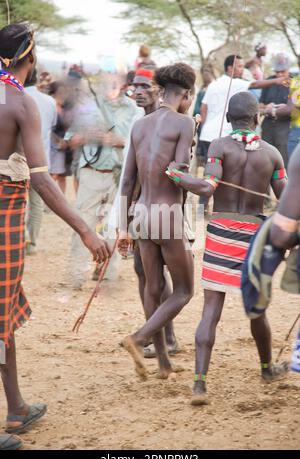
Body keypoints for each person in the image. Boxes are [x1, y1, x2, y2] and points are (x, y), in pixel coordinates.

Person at [0, 23, 110, 451]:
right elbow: (42, 181)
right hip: (3, 218)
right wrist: (86, 230)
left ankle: (15, 407)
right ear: (30, 57)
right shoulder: (19, 103)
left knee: (3, 316)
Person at [167, 92, 289, 405]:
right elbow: (287, 199)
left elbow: (208, 187)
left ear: (226, 119)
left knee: (211, 310)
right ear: (257, 118)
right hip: (254, 235)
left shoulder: (220, 146)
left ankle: (199, 386)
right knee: (256, 309)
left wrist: (177, 175)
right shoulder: (272, 154)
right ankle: (266, 368)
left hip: (221, 231)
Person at [119, 63, 196, 380]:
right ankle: (138, 339)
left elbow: (127, 181)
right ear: (187, 94)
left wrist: (124, 227)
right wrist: (204, 183)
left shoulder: (140, 125)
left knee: (153, 287)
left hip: (140, 215)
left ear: (161, 90)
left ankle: (163, 364)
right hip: (167, 215)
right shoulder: (185, 122)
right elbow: (178, 174)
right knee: (183, 290)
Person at [68, 70, 137, 288]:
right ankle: (76, 276)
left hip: (119, 176)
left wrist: (119, 141)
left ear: (125, 86)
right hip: (91, 173)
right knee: (83, 224)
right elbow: (70, 140)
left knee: (113, 225)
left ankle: (108, 274)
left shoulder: (134, 110)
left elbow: (139, 143)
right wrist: (89, 137)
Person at [200, 54, 290, 147]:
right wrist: (277, 81)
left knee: (209, 161)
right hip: (222, 136)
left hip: (206, 134)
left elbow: (203, 107)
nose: (242, 69)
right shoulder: (234, 83)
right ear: (230, 68)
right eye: (239, 66)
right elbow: (255, 85)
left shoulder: (213, 84)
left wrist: (204, 127)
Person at [24, 68, 57, 255]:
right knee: (36, 203)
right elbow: (52, 126)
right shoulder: (49, 101)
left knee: (14, 200)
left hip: (16, 161)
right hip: (41, 161)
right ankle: (32, 243)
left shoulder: (11, 97)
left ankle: (17, 238)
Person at [259, 53, 291, 167]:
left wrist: (285, 107)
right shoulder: (269, 81)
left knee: (283, 160)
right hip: (268, 125)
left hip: (285, 126)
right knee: (267, 159)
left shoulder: (294, 83)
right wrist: (267, 107)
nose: (280, 74)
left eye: (283, 71)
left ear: (288, 69)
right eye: (277, 72)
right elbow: (260, 105)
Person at [49, 81, 73, 194]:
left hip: (64, 146)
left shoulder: (66, 107)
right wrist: (57, 141)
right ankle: (50, 201)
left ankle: (61, 198)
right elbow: (47, 127)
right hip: (52, 145)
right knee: (52, 175)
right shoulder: (50, 105)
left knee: (62, 175)